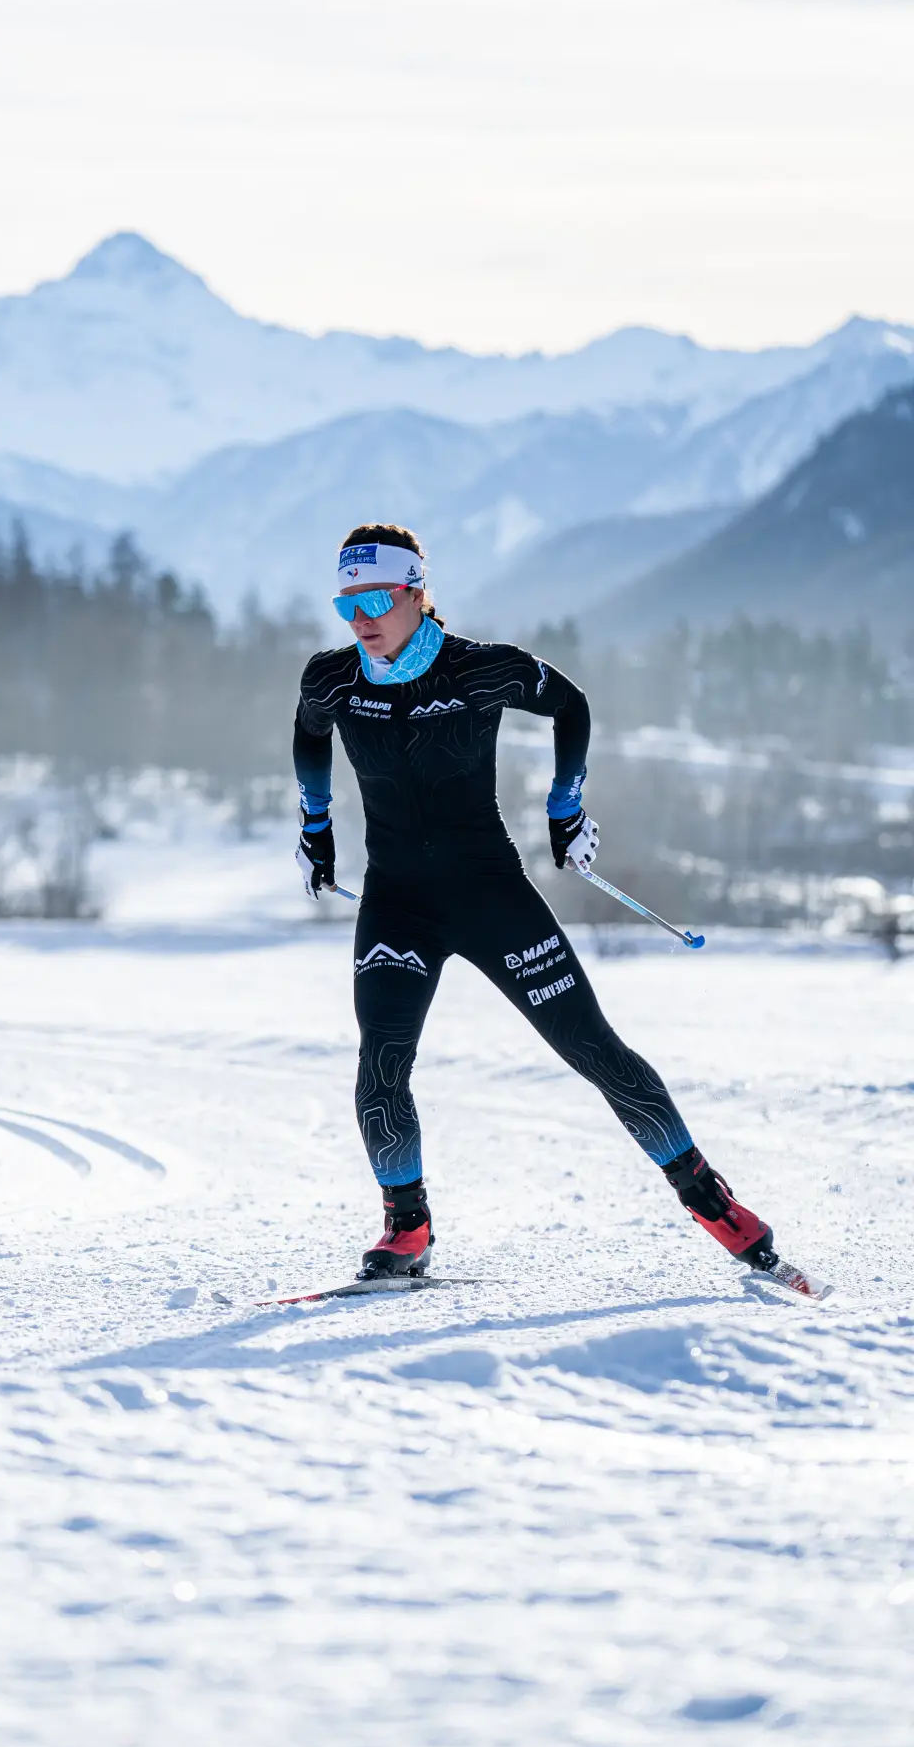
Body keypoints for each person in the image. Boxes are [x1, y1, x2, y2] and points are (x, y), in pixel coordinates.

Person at [293, 521, 779, 1283]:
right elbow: (309, 732)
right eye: (346, 601)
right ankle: (406, 1226)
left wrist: (567, 807)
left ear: (418, 594)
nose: (359, 618)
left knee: (593, 1049)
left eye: (376, 598)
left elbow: (573, 706)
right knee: (381, 1066)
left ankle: (706, 1196)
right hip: (396, 902)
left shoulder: (482, 669)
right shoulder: (332, 678)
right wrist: (314, 826)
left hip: (490, 895)